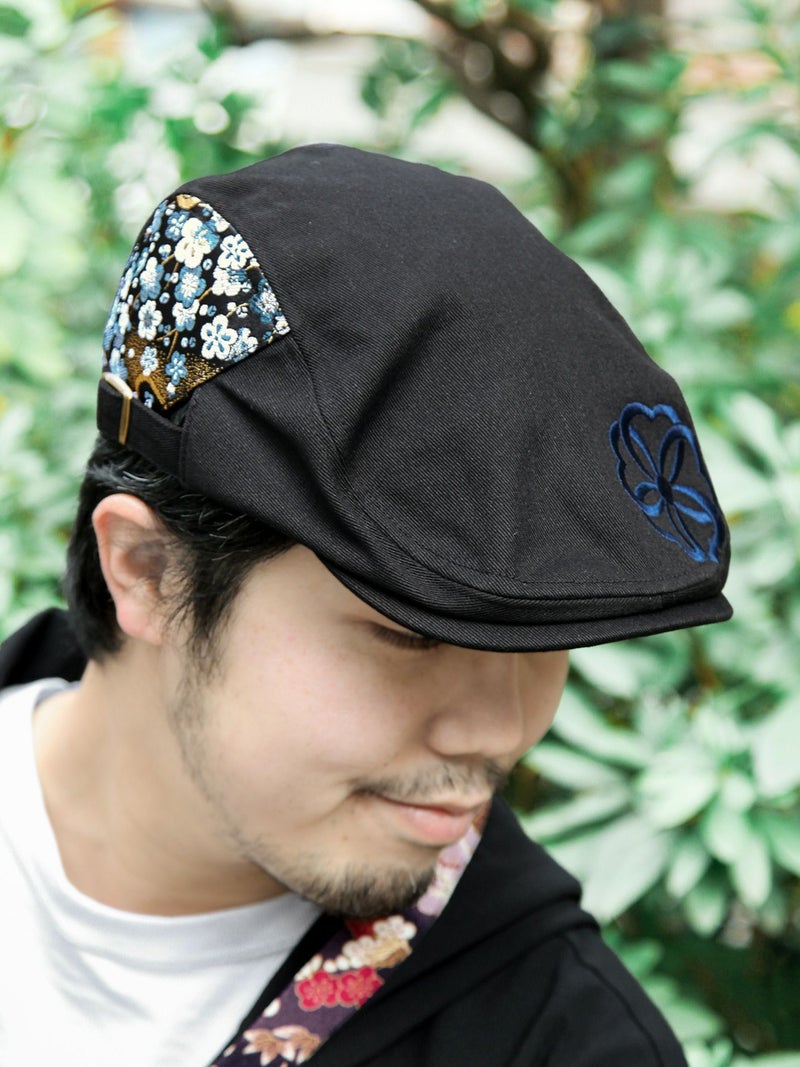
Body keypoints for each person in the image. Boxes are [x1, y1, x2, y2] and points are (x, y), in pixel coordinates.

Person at [0, 143, 731, 1066]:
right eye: (412, 633)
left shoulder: (562, 1043)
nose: (502, 730)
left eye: (548, 636)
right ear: (149, 571)